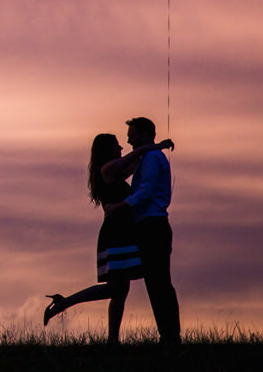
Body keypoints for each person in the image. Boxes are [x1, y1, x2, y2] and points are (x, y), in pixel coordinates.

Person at [42, 132, 173, 343]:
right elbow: (136, 155)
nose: (121, 148)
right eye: (116, 145)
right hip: (116, 233)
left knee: (120, 291)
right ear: (107, 150)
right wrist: (157, 146)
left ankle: (112, 340)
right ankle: (65, 303)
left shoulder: (113, 172)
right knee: (116, 288)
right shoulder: (108, 170)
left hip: (121, 232)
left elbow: (135, 163)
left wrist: (151, 153)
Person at [108, 116, 180, 345]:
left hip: (153, 226)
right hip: (150, 225)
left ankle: (169, 336)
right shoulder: (147, 156)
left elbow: (146, 192)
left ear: (146, 135)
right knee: (156, 282)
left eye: (133, 136)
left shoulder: (151, 158)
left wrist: (120, 207)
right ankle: (168, 335)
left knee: (159, 282)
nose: (129, 141)